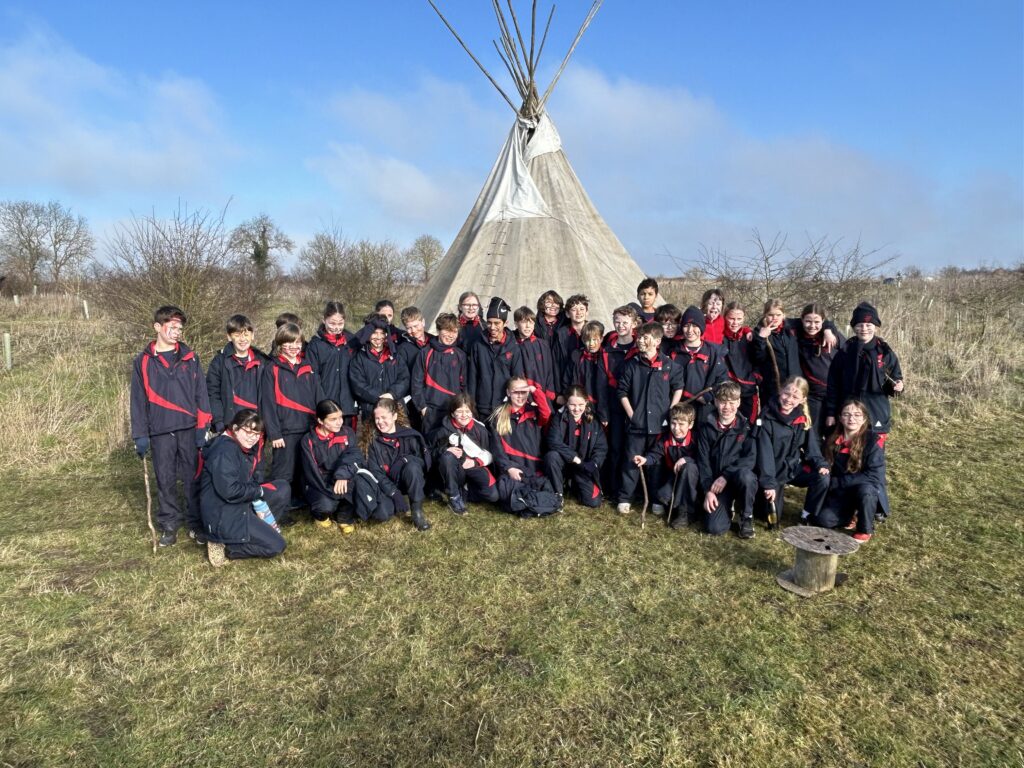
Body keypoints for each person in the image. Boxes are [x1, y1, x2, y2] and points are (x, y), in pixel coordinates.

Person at [130, 305, 212, 547]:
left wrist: (202, 427)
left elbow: (202, 395)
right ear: (157, 327)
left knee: (192, 479)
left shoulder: (190, 357)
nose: (177, 331)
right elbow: (137, 400)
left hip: (189, 429)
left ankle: (196, 523)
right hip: (160, 431)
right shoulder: (143, 361)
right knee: (165, 480)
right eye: (172, 327)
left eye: (180, 328)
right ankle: (169, 524)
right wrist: (140, 435)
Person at [200, 409, 288, 565]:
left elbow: (246, 478)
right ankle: (231, 547)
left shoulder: (238, 445)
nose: (252, 438)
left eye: (256, 434)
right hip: (224, 512)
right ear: (234, 428)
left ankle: (258, 528)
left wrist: (258, 496)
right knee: (277, 546)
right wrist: (258, 491)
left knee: (282, 487)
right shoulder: (224, 451)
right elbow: (229, 491)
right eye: (248, 432)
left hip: (239, 503)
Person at [617, 322, 684, 514]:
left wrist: (671, 411)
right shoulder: (632, 365)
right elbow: (622, 392)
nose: (640, 340)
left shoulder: (670, 366)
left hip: (659, 426)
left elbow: (678, 387)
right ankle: (625, 497)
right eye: (639, 337)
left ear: (657, 341)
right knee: (630, 461)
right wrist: (632, 415)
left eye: (645, 337)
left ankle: (656, 499)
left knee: (655, 464)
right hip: (636, 426)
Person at [261, 322, 324, 521]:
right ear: (280, 344)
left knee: (304, 469)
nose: (293, 347)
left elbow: (319, 397)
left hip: (307, 428)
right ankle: (279, 509)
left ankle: (300, 500)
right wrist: (275, 434)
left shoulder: (308, 367)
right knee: (283, 473)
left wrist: (322, 423)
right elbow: (267, 404)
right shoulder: (272, 368)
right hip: (285, 431)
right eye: (288, 343)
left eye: (297, 342)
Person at [755, 377, 830, 530]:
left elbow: (812, 448)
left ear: (803, 400)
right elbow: (765, 455)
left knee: (822, 477)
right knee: (766, 516)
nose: (789, 399)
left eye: (795, 397)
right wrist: (768, 483)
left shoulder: (803, 419)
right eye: (786, 394)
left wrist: (820, 464)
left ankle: (806, 515)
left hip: (792, 468)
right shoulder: (766, 416)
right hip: (771, 471)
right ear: (780, 391)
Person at [825, 302, 904, 437]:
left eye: (869, 325)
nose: (864, 329)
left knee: (874, 454)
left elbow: (895, 377)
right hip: (849, 412)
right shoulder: (845, 351)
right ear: (854, 327)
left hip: (876, 410)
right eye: (860, 325)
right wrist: (831, 413)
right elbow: (833, 385)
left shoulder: (884, 352)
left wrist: (899, 386)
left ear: (876, 327)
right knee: (848, 453)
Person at [817, 399, 890, 542]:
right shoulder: (832, 438)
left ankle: (865, 529)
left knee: (866, 491)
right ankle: (851, 515)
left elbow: (874, 475)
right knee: (823, 520)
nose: (851, 419)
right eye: (846, 414)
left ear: (864, 419)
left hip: (862, 488)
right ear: (840, 418)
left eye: (857, 415)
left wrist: (838, 482)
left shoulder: (873, 440)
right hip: (840, 492)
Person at [361, 396, 432, 531]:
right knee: (381, 514)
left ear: (394, 416)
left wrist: (405, 460)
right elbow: (375, 472)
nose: (380, 422)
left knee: (412, 466)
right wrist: (393, 493)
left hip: (407, 480)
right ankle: (393, 501)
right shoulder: (372, 442)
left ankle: (417, 512)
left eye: (384, 418)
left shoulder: (409, 435)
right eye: (377, 418)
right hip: (385, 486)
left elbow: (422, 462)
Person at [697, 381, 758, 538]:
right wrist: (708, 491)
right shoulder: (706, 427)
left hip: (735, 479)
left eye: (731, 402)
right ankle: (726, 509)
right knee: (714, 528)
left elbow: (749, 459)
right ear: (716, 402)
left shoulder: (746, 427)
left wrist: (726, 476)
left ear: (738, 402)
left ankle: (746, 517)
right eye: (723, 402)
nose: (727, 407)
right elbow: (703, 462)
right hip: (715, 484)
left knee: (747, 476)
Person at [490, 376, 554, 511]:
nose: (520, 396)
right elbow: (497, 449)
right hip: (512, 468)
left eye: (523, 392)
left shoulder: (534, 412)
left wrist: (534, 390)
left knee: (541, 490)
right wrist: (509, 468)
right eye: (515, 392)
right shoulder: (498, 416)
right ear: (508, 392)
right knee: (507, 494)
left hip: (533, 468)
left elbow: (547, 413)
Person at [301, 400, 366, 534]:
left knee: (359, 486)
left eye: (340, 417)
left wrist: (344, 477)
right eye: (333, 419)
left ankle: (344, 517)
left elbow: (354, 457)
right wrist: (332, 492)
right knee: (326, 505)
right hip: (321, 483)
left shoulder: (347, 432)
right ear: (320, 420)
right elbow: (312, 473)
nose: (339, 422)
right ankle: (322, 516)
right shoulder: (308, 440)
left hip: (343, 476)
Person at [430, 393, 499, 514]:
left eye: (467, 411)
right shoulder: (442, 430)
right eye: (459, 411)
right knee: (447, 457)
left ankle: (465, 492)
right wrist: (444, 450)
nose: (464, 415)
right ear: (452, 413)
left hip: (474, 466)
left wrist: (475, 462)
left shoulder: (480, 429)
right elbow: (429, 452)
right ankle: (454, 496)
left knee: (493, 495)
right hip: (454, 469)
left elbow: (490, 453)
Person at [635, 403, 698, 529]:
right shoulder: (665, 439)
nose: (676, 428)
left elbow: (701, 459)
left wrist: (686, 459)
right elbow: (655, 454)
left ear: (690, 425)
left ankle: (685, 511)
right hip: (673, 474)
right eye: (673, 423)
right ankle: (672, 505)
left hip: (692, 476)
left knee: (688, 469)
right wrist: (645, 459)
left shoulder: (696, 439)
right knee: (663, 495)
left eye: (681, 424)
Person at [543, 386, 608, 508]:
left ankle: (573, 485)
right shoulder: (558, 418)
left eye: (580, 405)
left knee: (594, 502)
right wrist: (575, 459)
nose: (577, 409)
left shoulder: (593, 421)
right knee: (551, 456)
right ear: (567, 403)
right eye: (572, 405)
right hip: (565, 463)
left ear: (586, 403)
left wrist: (594, 463)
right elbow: (553, 441)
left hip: (583, 467)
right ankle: (558, 494)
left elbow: (601, 447)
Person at [602, 305, 640, 500]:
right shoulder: (608, 349)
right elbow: (602, 383)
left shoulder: (639, 348)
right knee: (615, 448)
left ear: (634, 324)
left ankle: (632, 490)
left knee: (632, 449)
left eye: (625, 322)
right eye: (617, 321)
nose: (620, 325)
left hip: (636, 406)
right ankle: (614, 488)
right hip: (615, 408)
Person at [206, 314, 266, 435]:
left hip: (257, 426)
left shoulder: (263, 362)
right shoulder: (219, 362)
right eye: (237, 335)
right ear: (229, 337)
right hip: (230, 426)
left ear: (252, 335)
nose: (242, 339)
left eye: (246, 334)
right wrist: (219, 424)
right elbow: (212, 394)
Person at [411, 312, 468, 437]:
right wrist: (423, 408)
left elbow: (464, 385)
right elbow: (416, 384)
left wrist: (463, 409)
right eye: (447, 330)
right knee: (431, 447)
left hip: (454, 411)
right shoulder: (425, 353)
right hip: (431, 411)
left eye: (454, 331)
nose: (451, 335)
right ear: (438, 330)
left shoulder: (460, 355)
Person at [467, 297, 523, 419]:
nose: (492, 327)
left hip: (504, 407)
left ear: (505, 323)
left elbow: (517, 378)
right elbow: (472, 377)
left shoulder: (513, 347)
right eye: (489, 322)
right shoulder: (478, 345)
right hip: (482, 407)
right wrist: (471, 405)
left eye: (497, 323)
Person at [305, 302, 358, 431]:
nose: (336, 328)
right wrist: (322, 402)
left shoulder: (352, 342)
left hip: (348, 406)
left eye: (340, 324)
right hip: (326, 402)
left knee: (347, 441)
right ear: (324, 320)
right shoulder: (315, 345)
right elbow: (313, 377)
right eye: (332, 323)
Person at [674, 306, 728, 426]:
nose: (690, 330)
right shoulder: (673, 351)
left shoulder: (712, 352)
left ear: (702, 328)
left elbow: (722, 379)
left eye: (694, 326)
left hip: (705, 410)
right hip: (679, 409)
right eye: (686, 325)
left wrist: (709, 396)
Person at [349, 315, 411, 419]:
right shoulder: (359, 358)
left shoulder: (395, 355)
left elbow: (404, 378)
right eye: (374, 333)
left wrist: (392, 394)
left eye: (382, 333)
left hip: (396, 408)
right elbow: (358, 384)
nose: (378, 337)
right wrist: (379, 397)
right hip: (371, 410)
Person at [795, 303, 844, 432]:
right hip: (813, 395)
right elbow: (774, 318)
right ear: (802, 320)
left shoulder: (834, 337)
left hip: (836, 393)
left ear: (822, 321)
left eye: (817, 322)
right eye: (808, 321)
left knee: (835, 432)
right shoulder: (798, 338)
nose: (812, 326)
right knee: (813, 431)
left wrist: (828, 329)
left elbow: (850, 355)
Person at [750, 298, 801, 404]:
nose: (774, 318)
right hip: (772, 386)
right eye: (770, 315)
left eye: (778, 315)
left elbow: (816, 319)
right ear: (765, 315)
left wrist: (828, 330)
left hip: (794, 383)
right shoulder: (758, 332)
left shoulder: (791, 327)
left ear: (783, 315)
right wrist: (761, 339)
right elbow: (757, 358)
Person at [720, 302, 759, 422]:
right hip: (727, 391)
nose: (735, 322)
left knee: (749, 423)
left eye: (739, 319)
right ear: (725, 317)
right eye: (731, 318)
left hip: (748, 389)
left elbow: (759, 359)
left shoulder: (749, 337)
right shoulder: (719, 337)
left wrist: (755, 379)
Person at [569, 321, 610, 426]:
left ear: (601, 339)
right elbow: (568, 379)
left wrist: (604, 413)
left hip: (603, 406)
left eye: (595, 340)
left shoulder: (606, 356)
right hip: (581, 405)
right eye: (587, 340)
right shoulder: (577, 356)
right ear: (583, 340)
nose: (591, 344)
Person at [514, 305, 557, 406]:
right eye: (524, 322)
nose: (528, 326)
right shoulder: (512, 344)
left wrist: (549, 394)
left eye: (531, 322)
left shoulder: (543, 344)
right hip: (520, 395)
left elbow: (549, 371)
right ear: (516, 324)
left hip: (542, 393)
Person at [552, 293, 590, 398]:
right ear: (568, 314)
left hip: (589, 387)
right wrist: (559, 393)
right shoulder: (561, 335)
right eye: (574, 310)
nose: (578, 313)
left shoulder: (594, 333)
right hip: (567, 387)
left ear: (587, 312)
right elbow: (556, 365)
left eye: (582, 309)